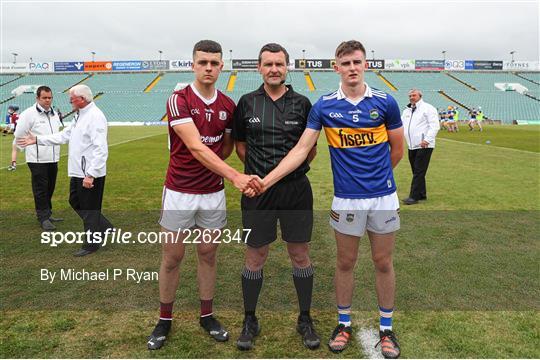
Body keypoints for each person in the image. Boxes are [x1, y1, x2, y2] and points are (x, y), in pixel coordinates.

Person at [254, 40, 404, 358]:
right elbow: (300, 150)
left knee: (383, 262)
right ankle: (343, 323)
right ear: (336, 67)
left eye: (357, 62)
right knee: (345, 262)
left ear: (366, 65)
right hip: (346, 200)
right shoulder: (324, 106)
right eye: (346, 63)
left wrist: (376, 179)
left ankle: (387, 329)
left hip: (382, 199)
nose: (352, 68)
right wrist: (268, 180)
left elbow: (398, 150)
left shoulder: (385, 102)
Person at [146, 40, 262, 351]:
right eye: (203, 62)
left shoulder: (227, 105)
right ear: (193, 65)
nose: (208, 67)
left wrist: (227, 173)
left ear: (222, 66)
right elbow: (197, 147)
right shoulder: (178, 99)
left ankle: (207, 315)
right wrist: (236, 176)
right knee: (172, 258)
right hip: (179, 192)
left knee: (208, 254)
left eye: (214, 63)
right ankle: (164, 319)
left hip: (212, 193)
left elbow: (224, 149)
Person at [232, 43, 320, 351]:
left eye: (279, 64)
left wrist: (281, 175)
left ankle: (305, 319)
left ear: (287, 68)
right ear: (259, 68)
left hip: (296, 191)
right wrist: (259, 177)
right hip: (257, 193)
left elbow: (309, 149)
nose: (274, 69)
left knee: (300, 254)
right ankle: (249, 319)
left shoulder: (303, 103)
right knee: (255, 256)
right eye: (268, 64)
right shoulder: (245, 103)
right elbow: (241, 146)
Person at [17, 84, 114, 256]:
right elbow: (63, 136)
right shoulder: (80, 115)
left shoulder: (95, 117)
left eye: (72, 98)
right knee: (75, 201)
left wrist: (91, 174)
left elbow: (101, 149)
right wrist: (37, 140)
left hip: (89, 173)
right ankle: (105, 227)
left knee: (90, 207)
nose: (69, 101)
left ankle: (91, 245)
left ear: (82, 99)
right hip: (78, 171)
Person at [13, 88, 62, 229]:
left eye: (50, 97)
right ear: (37, 98)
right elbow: (19, 133)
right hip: (37, 159)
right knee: (40, 188)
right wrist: (25, 149)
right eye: (44, 98)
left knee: (50, 187)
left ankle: (48, 213)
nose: (47, 100)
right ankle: (43, 217)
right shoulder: (29, 114)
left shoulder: (54, 113)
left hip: (53, 157)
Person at [401, 89, 440, 205]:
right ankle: (422, 194)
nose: (411, 97)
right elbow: (401, 124)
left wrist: (427, 140)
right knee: (416, 171)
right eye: (410, 95)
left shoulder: (428, 108)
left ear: (420, 96)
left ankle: (414, 197)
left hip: (424, 145)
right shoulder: (407, 111)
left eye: (414, 95)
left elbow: (435, 126)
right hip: (411, 145)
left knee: (418, 171)